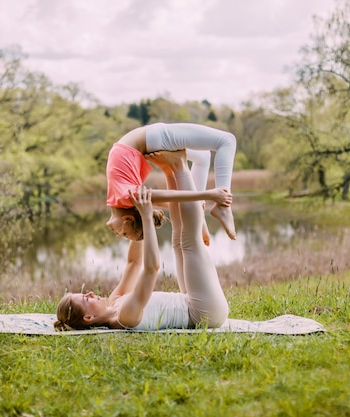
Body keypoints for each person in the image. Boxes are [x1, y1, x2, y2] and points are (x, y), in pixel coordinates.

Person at [55, 150, 229, 331]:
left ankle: (170, 170)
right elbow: (151, 269)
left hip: (190, 301)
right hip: (204, 313)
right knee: (189, 243)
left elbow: (133, 263)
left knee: (178, 239)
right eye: (85, 299)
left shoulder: (114, 302)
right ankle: (180, 165)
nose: (90, 293)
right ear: (88, 317)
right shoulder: (124, 317)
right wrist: (146, 219)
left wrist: (136, 217)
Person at [105, 123, 237, 242]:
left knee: (226, 141)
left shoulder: (124, 198)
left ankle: (223, 207)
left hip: (152, 138)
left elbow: (169, 195)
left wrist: (208, 195)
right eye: (124, 235)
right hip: (152, 139)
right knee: (205, 156)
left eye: (125, 235)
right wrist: (200, 203)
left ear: (128, 220)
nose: (118, 234)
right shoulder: (124, 199)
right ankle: (201, 213)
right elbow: (171, 199)